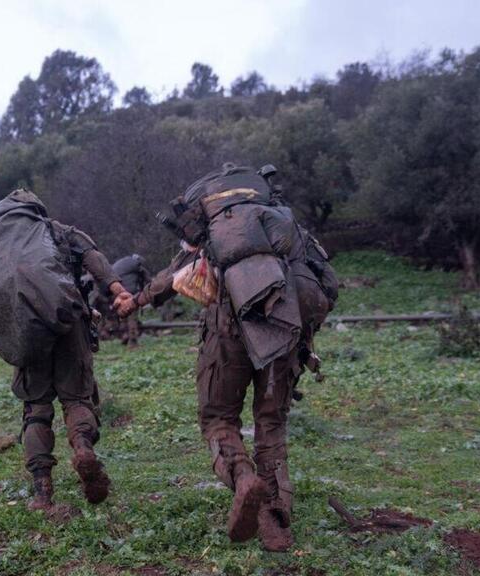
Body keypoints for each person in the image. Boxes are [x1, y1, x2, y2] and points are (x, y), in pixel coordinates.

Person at [115, 164, 336, 552]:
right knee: (271, 423)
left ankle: (242, 476)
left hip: (226, 331)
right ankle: (277, 521)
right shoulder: (284, 228)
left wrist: (135, 300)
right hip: (283, 327)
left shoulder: (212, 235)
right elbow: (325, 280)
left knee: (218, 419)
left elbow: (172, 277)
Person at [0, 190, 132, 512]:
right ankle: (83, 448)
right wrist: (117, 289)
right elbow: (94, 259)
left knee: (36, 409)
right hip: (70, 327)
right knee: (78, 400)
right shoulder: (59, 232)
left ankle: (42, 493)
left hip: (26, 335)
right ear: (35, 210)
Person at [108, 254, 151, 347]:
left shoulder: (123, 264)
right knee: (132, 317)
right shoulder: (137, 266)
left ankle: (125, 336)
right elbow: (147, 280)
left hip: (117, 292)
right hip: (130, 293)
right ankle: (133, 342)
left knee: (123, 314)